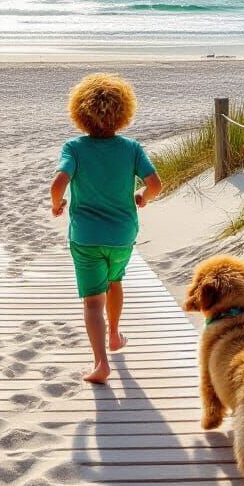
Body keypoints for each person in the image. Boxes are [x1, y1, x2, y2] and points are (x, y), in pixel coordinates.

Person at [50, 73, 163, 384]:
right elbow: (155, 184)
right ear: (123, 112)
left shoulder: (74, 147)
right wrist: (143, 196)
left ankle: (101, 362)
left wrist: (57, 204)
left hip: (85, 236)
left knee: (92, 301)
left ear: (80, 112)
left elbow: (59, 182)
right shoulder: (131, 148)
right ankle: (114, 334)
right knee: (115, 281)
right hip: (122, 234)